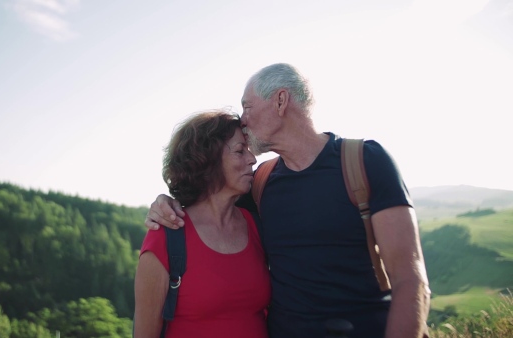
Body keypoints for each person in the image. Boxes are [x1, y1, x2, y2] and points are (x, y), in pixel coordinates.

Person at [144, 63, 431, 338]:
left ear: (281, 101)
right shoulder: (260, 183)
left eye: (247, 106)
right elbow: (208, 202)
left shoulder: (365, 162)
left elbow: (410, 279)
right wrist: (165, 202)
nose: (243, 120)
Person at [133, 110, 271, 338]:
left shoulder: (256, 224)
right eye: (239, 151)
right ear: (208, 160)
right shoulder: (167, 235)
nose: (252, 159)